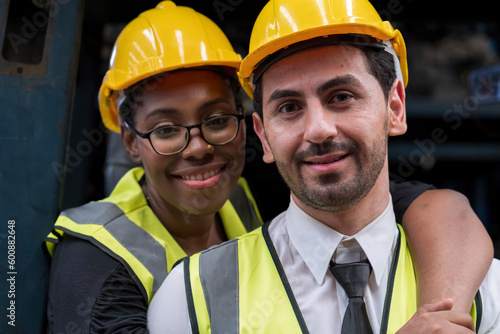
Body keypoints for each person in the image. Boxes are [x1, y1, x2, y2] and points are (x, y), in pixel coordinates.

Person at [147, 0, 500, 333]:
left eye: (341, 97)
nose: (317, 129)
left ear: (395, 108)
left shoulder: (487, 293)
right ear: (264, 136)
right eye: (288, 107)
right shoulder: (190, 300)